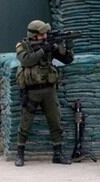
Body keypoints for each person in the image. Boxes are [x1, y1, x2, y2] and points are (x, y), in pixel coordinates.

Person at [14, 19, 74, 166]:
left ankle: (58, 154)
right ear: (33, 35)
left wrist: (64, 48)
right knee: (26, 123)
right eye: (42, 34)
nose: (45, 36)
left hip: (49, 89)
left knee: (55, 122)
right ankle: (20, 153)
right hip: (32, 91)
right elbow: (26, 61)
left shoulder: (48, 45)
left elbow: (67, 60)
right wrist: (43, 50)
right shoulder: (23, 46)